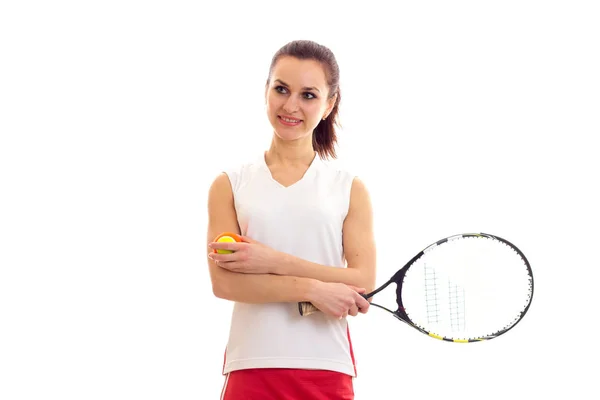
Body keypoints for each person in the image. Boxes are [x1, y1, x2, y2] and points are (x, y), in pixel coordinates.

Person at [206, 39, 376, 400]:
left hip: (327, 367)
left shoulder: (349, 188)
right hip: (251, 362)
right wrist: (314, 289)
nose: (291, 105)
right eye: (281, 89)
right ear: (266, 90)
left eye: (309, 95)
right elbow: (226, 284)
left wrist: (271, 261)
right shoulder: (229, 184)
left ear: (329, 104)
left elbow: (361, 280)